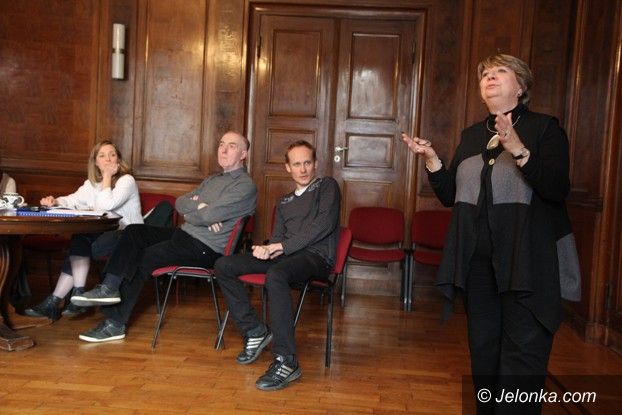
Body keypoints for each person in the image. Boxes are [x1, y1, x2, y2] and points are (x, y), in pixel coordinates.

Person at [401, 54, 579, 414]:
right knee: (484, 355)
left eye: (500, 72)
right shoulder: (472, 136)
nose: (490, 78)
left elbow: (557, 188)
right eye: (485, 74)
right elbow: (452, 196)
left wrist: (519, 150)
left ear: (521, 86)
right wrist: (432, 159)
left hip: (527, 265)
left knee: (521, 361)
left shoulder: (544, 129)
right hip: (480, 268)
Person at [72, 131, 257, 343]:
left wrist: (199, 211)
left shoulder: (244, 186)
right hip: (185, 235)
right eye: (221, 144)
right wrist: (201, 207)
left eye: (232, 146)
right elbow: (180, 203)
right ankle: (109, 287)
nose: (223, 150)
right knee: (134, 232)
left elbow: (207, 215)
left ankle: (114, 324)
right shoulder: (213, 179)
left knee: (144, 256)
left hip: (206, 248)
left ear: (243, 154)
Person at [214, 140, 341, 391]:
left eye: (307, 163)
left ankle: (286, 360)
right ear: (288, 168)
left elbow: (323, 226)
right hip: (286, 257)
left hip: (315, 258)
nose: (303, 169)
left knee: (276, 273)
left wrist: (280, 247)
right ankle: (255, 330)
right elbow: (278, 239)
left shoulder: (327, 186)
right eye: (297, 164)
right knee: (224, 265)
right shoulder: (283, 202)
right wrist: (267, 249)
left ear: (315, 164)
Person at [24, 140, 143, 321]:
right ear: (96, 162)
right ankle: (73, 295)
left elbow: (107, 204)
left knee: (81, 245)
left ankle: (60, 301)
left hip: (127, 237)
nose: (108, 159)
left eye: (112, 155)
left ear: (118, 160)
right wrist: (55, 201)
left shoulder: (127, 180)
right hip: (104, 237)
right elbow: (72, 200)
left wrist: (107, 177)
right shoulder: (91, 184)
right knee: (80, 239)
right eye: (102, 156)